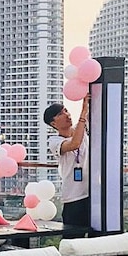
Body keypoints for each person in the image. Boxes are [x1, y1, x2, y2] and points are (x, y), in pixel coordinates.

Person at [43, 94, 89, 234]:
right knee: (73, 238)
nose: (67, 115)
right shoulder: (54, 141)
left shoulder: (82, 129)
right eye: (60, 114)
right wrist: (83, 112)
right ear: (53, 124)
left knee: (94, 239)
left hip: (92, 193)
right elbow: (74, 144)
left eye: (66, 111)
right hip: (73, 197)